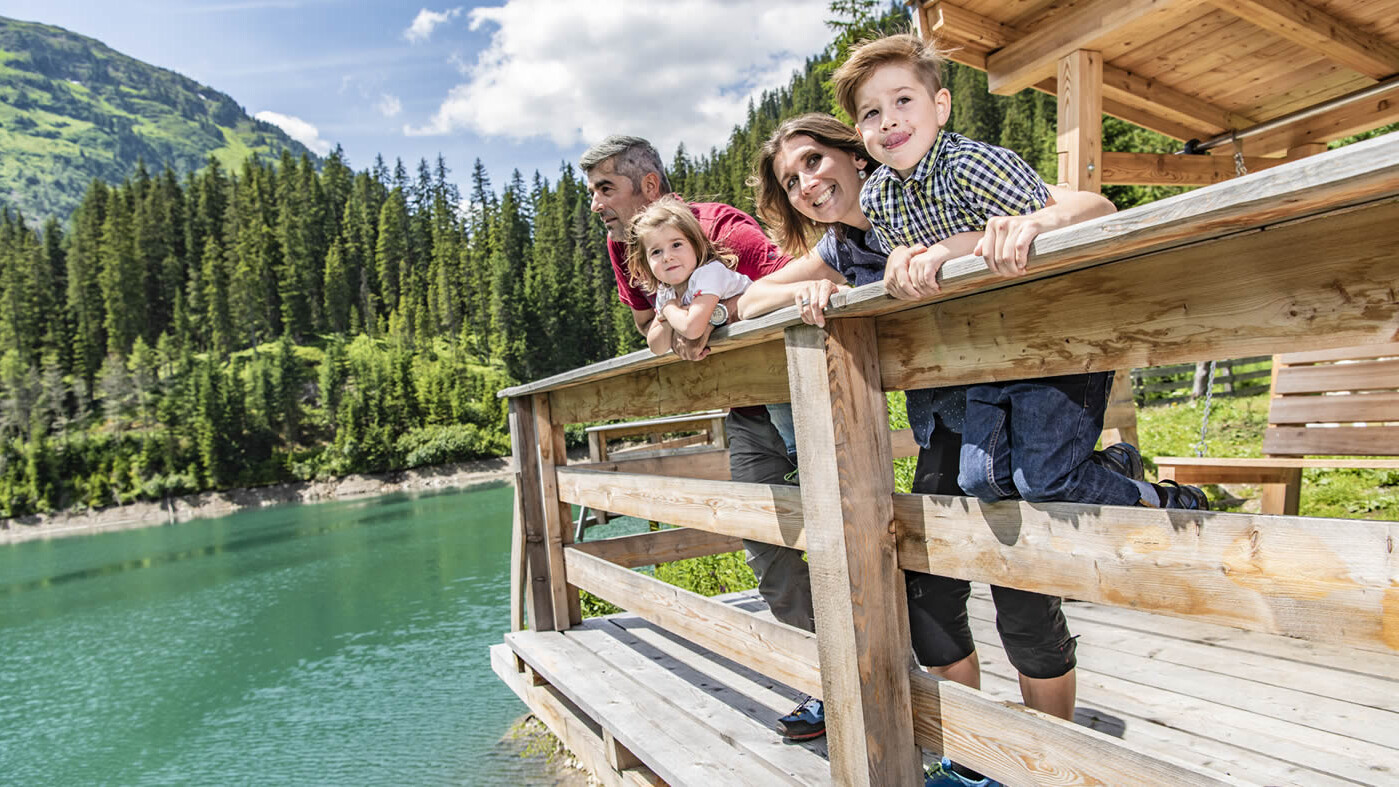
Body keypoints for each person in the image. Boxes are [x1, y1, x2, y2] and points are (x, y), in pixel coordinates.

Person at [826, 32, 1209, 784]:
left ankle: (1144, 491)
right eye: (871, 113)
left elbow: (1059, 219)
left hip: (1056, 344)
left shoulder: (971, 161)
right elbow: (918, 266)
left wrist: (986, 236)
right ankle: (1113, 469)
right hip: (983, 358)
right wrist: (909, 263)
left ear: (938, 104)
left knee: (1040, 482)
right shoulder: (877, 194)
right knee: (979, 480)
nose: (888, 120)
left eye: (903, 101)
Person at [740, 113, 1142, 765]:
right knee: (928, 595)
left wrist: (1031, 224)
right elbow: (752, 298)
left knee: (1020, 589)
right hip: (944, 427)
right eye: (790, 180)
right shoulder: (841, 250)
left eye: (813, 161)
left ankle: (1050, 756)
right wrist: (807, 288)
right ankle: (973, 758)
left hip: (1010, 408)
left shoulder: (934, 192)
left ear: (855, 155)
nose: (805, 184)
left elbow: (1092, 204)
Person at [580, 136, 823, 740]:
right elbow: (647, 321)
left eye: (605, 188)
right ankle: (822, 685)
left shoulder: (723, 231)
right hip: (744, 410)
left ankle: (889, 668)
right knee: (766, 545)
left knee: (841, 529)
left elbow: (787, 285)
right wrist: (675, 320)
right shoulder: (626, 249)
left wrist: (720, 314)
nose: (595, 204)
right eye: (591, 193)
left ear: (651, 186)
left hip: (803, 397)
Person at [623, 196, 753, 356]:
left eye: (676, 245)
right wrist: (668, 316)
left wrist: (669, 309)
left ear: (695, 246)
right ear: (646, 263)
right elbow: (657, 347)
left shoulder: (708, 273)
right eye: (656, 252)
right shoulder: (666, 291)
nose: (667, 257)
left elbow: (692, 329)